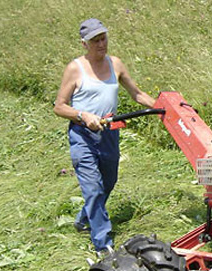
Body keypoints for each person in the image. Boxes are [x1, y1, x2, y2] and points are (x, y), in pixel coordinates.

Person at [54, 18, 155, 254]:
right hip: (83, 136)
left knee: (108, 182)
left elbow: (138, 94)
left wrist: (165, 108)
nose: (101, 44)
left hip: (109, 133)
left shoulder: (116, 64)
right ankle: (103, 244)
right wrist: (82, 115)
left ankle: (83, 219)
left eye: (103, 38)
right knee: (93, 189)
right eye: (95, 41)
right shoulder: (75, 69)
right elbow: (59, 106)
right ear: (84, 44)